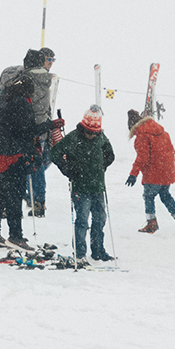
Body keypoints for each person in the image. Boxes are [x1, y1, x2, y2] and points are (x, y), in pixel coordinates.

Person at [0, 72, 53, 250]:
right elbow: (26, 132)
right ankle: (15, 236)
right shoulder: (22, 102)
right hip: (13, 154)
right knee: (15, 194)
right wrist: (49, 126)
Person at [51, 105, 115, 261]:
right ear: (83, 128)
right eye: (88, 132)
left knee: (99, 221)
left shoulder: (101, 137)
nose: (91, 136)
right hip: (80, 187)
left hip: (98, 187)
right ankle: (80, 254)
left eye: (94, 133)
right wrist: (66, 168)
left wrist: (103, 165)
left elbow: (110, 155)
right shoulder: (73, 138)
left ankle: (98, 251)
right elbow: (54, 153)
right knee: (81, 221)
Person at [125, 108, 175, 233]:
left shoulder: (142, 136)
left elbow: (142, 157)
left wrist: (133, 174)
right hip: (167, 171)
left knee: (148, 196)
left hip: (153, 172)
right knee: (165, 196)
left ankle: (151, 223)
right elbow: (171, 151)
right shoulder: (163, 133)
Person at [21, 47, 58, 217]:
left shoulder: (25, 78)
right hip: (42, 127)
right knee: (39, 164)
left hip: (28, 128)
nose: (50, 63)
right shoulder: (45, 79)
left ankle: (31, 197)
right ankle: (37, 200)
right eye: (48, 59)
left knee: (33, 164)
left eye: (52, 60)